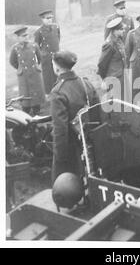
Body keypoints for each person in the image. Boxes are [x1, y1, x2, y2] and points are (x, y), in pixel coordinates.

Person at [50, 50, 100, 183]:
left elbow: (60, 130)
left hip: (71, 148)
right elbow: (97, 113)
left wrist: (61, 158)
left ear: (57, 68)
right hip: (91, 142)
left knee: (65, 188)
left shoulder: (58, 92)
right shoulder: (86, 83)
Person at [10, 26, 45, 115]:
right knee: (25, 92)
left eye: (27, 35)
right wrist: (20, 68)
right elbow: (12, 61)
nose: (26, 37)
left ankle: (37, 108)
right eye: (23, 36)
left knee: (36, 90)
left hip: (34, 72)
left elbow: (39, 58)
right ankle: (26, 109)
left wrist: (35, 66)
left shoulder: (34, 46)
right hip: (23, 74)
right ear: (18, 38)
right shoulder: (15, 48)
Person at [98, 17, 128, 101]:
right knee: (115, 105)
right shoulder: (109, 44)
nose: (123, 31)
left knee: (124, 103)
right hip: (113, 79)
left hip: (121, 77)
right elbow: (101, 64)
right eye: (121, 29)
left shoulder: (119, 40)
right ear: (115, 30)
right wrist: (104, 79)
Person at [34, 10, 60, 94]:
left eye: (51, 18)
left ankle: (59, 92)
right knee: (48, 78)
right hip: (46, 58)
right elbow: (36, 47)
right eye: (47, 18)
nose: (50, 20)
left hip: (57, 55)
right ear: (42, 19)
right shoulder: (39, 32)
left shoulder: (56, 27)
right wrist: (42, 55)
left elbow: (57, 40)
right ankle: (49, 95)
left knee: (59, 75)